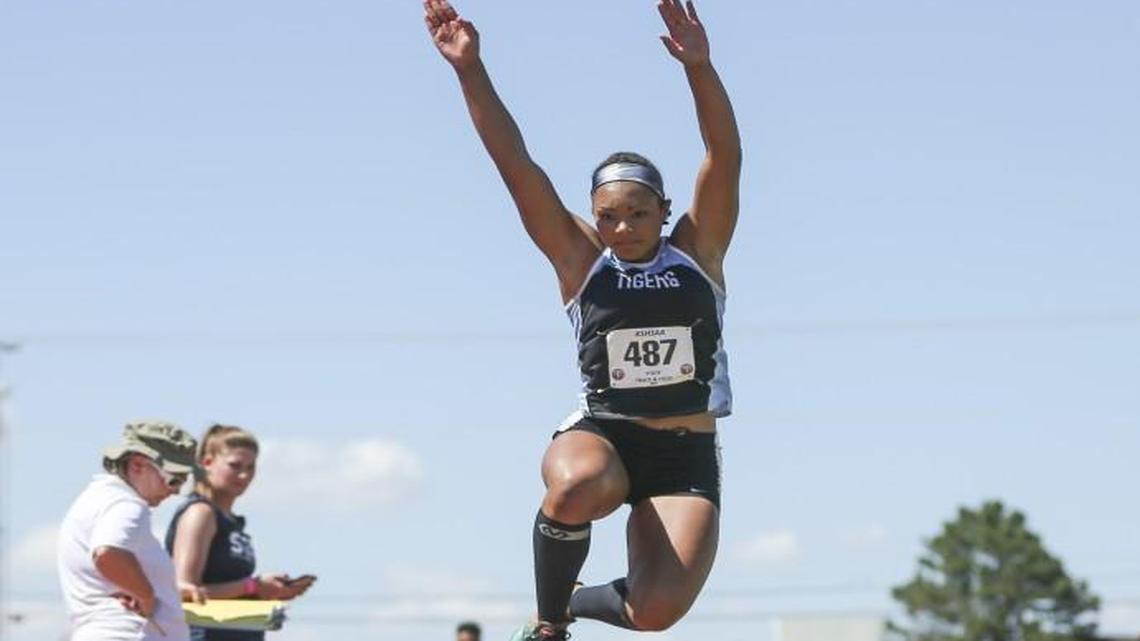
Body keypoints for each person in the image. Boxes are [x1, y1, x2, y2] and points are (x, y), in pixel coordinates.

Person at [424, 0, 742, 639]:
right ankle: (549, 626)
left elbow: (724, 153)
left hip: (683, 453)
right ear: (593, 216)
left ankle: (569, 597)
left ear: (664, 210)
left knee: (654, 614)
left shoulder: (699, 251)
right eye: (608, 216)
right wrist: (469, 70)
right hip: (605, 435)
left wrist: (700, 69)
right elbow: (517, 167)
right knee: (575, 485)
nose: (622, 228)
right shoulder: (580, 261)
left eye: (638, 214)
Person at [166, 424, 314, 641]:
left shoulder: (229, 521)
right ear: (207, 462)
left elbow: (226, 596)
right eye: (235, 466)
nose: (244, 475)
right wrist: (253, 586)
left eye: (251, 467)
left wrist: (266, 592)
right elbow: (184, 592)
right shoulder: (200, 513)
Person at [58, 420, 199, 641]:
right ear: (138, 465)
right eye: (174, 480)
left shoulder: (98, 498)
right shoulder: (127, 504)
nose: (176, 491)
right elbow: (108, 553)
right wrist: (146, 597)